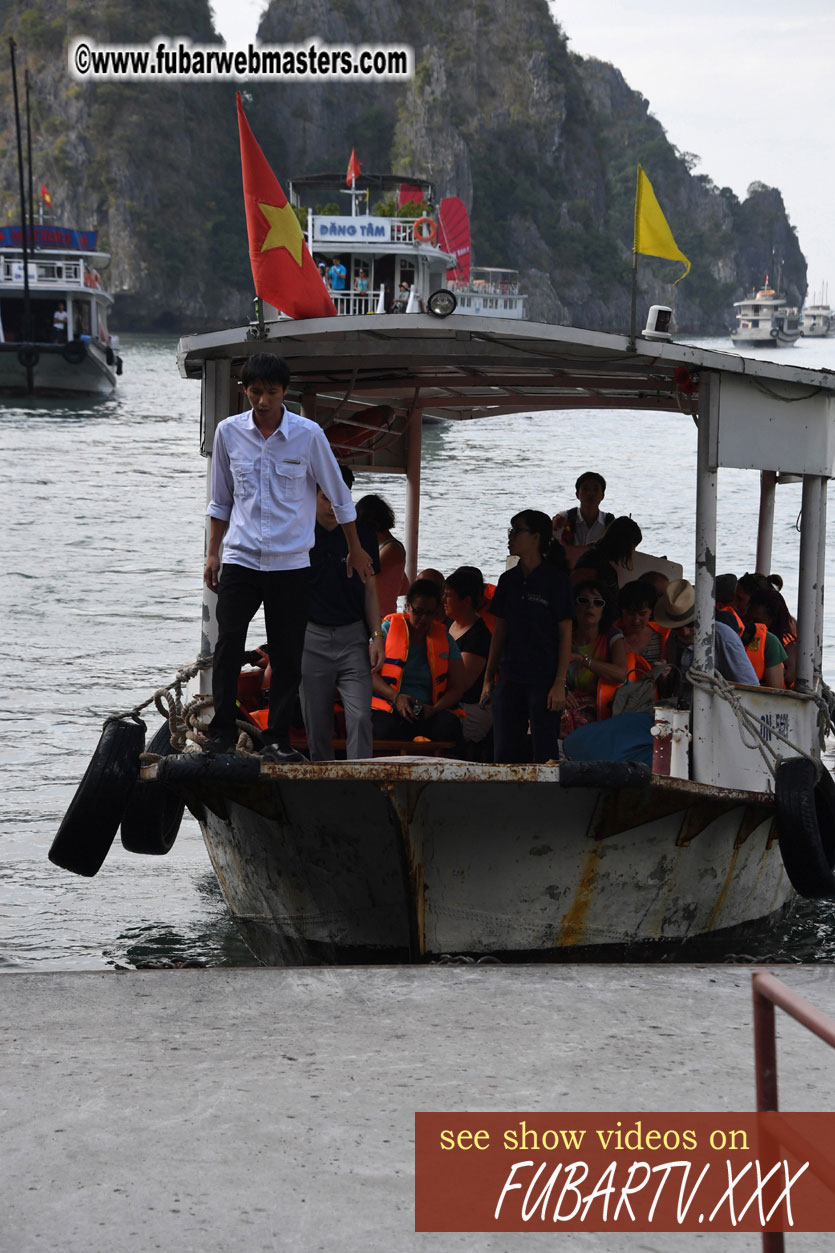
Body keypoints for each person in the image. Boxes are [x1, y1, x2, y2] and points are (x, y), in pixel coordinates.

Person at [203, 353, 375, 761]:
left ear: (285, 392)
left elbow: (339, 495)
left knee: (287, 654)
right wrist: (213, 554)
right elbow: (219, 501)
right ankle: (221, 732)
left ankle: (277, 739)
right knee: (228, 643)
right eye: (255, 391)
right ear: (245, 390)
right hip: (242, 558)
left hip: (292, 563)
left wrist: (354, 547)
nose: (262, 400)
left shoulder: (308, 434)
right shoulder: (228, 433)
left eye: (271, 392)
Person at [301, 465, 383, 760]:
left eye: (341, 499)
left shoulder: (362, 534)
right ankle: (324, 790)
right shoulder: (299, 532)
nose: (334, 507)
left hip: (353, 637)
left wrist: (377, 637)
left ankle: (360, 784)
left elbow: (371, 590)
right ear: (313, 496)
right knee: (317, 725)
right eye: (326, 499)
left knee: (361, 717)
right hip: (311, 638)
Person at [480, 510, 573, 763]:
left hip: (544, 678)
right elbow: (499, 630)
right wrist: (489, 679)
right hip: (510, 676)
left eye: (516, 530)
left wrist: (559, 683)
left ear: (535, 537)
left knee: (545, 754)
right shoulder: (508, 580)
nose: (510, 536)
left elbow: (566, 635)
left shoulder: (557, 581)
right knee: (504, 754)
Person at [371, 579, 466, 751]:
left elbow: (458, 686)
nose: (423, 619)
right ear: (408, 607)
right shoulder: (387, 630)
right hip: (389, 707)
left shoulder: (445, 639)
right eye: (418, 611)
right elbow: (367, 672)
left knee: (450, 727)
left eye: (430, 613)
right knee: (383, 730)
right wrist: (396, 697)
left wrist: (434, 709)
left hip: (427, 710)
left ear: (437, 612)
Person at [654, 579, 758, 705]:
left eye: (690, 624)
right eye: (677, 627)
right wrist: (664, 677)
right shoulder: (673, 638)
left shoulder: (724, 638)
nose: (685, 632)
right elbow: (668, 691)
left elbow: (751, 689)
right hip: (681, 709)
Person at [562, 581, 628, 736]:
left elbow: (620, 674)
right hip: (564, 699)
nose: (590, 606)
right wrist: (561, 690)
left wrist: (581, 659)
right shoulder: (564, 633)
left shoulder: (612, 636)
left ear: (604, 610)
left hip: (600, 706)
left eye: (598, 602)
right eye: (583, 601)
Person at [443, 567, 493, 752]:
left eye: (448, 596)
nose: (443, 601)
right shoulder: (447, 624)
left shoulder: (478, 636)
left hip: (469, 708)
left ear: (466, 601)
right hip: (445, 698)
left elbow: (461, 684)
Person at [356, 493, 408, 616]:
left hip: (381, 618)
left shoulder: (391, 549)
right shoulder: (386, 548)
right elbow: (404, 586)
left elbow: (362, 576)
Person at [570, 516, 642, 589]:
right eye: (631, 549)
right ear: (623, 546)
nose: (632, 553)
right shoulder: (593, 564)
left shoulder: (594, 557)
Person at [746, 587, 797, 688]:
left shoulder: (787, 642)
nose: (752, 625)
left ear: (772, 619)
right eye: (748, 619)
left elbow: (789, 677)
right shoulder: (745, 634)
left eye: (757, 621)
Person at [552, 471, 614, 550]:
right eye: (585, 489)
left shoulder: (609, 522)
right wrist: (552, 527)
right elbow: (551, 544)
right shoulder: (564, 519)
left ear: (602, 495)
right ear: (577, 494)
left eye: (595, 489)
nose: (590, 493)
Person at [616, 580, 668, 663]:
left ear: (651, 612)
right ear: (621, 611)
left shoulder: (662, 636)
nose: (636, 620)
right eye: (630, 613)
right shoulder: (609, 636)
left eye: (642, 614)